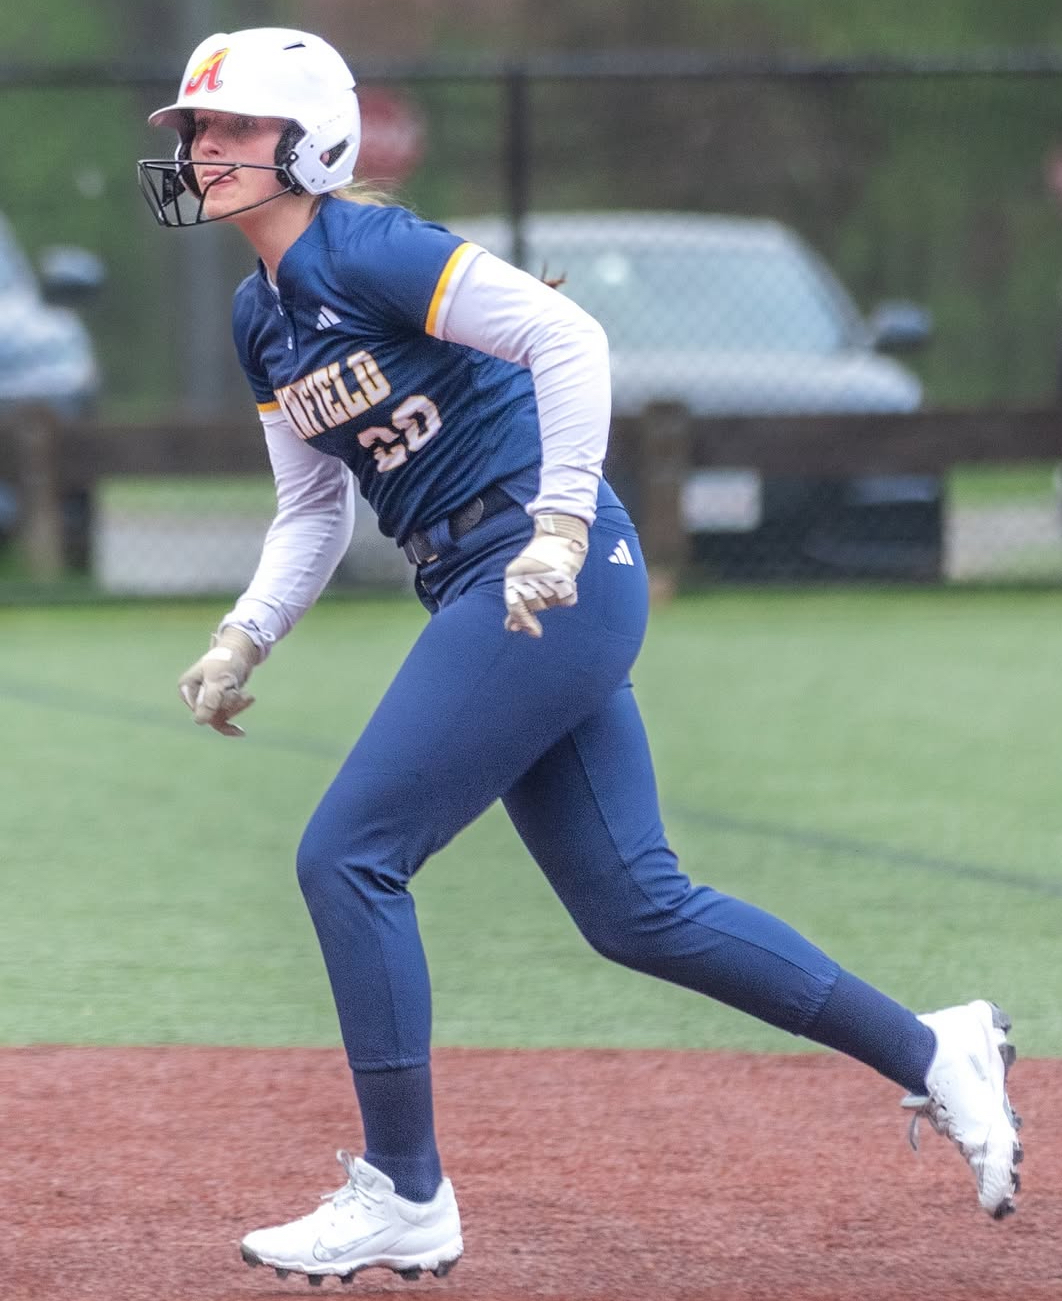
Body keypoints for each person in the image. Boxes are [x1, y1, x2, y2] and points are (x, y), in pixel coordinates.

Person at [140, 27, 1023, 1286]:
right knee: (636, 908)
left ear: (311, 141)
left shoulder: (366, 246)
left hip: (544, 571)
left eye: (231, 126)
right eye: (194, 131)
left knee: (348, 854)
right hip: (484, 584)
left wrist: (557, 523)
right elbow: (314, 509)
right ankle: (936, 1050)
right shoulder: (259, 314)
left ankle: (405, 1191)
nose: (202, 149)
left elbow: (569, 337)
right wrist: (245, 632)